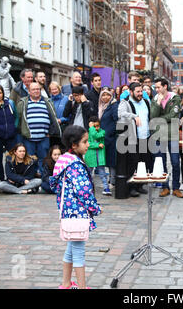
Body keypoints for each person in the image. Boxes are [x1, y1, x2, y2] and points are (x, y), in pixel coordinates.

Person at [49, 125, 103, 290]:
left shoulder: (65, 160)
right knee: (79, 251)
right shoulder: (76, 165)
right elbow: (84, 191)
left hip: (68, 211)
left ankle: (66, 284)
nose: (88, 145)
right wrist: (95, 208)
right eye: (85, 142)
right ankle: (82, 287)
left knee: (71, 248)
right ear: (74, 145)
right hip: (77, 213)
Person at [16, 82, 62, 175]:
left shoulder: (47, 102)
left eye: (38, 89)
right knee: (30, 160)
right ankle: (31, 181)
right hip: (29, 137)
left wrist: (50, 132)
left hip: (44, 137)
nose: (36, 91)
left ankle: (44, 180)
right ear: (29, 91)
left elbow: (53, 117)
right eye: (33, 89)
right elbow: (19, 119)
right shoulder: (23, 102)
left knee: (44, 160)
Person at [151, 78, 183, 198]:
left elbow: (174, 115)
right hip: (159, 136)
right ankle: (165, 187)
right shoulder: (155, 99)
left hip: (172, 135)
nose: (157, 90)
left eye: (158, 87)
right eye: (156, 88)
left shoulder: (175, 98)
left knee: (175, 162)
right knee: (161, 162)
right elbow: (153, 116)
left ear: (165, 86)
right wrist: (158, 104)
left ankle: (176, 187)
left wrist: (160, 119)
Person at [117, 82, 152, 197]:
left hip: (145, 137)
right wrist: (134, 116)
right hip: (133, 138)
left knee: (143, 162)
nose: (140, 93)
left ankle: (140, 185)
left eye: (141, 91)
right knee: (133, 163)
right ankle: (131, 187)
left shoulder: (146, 102)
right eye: (137, 92)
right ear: (131, 92)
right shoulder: (126, 102)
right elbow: (121, 113)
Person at [0, 84, 19, 182]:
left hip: (11, 135)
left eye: (0, 93)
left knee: (12, 158)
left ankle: (12, 178)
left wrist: (15, 127)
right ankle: (2, 178)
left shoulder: (10, 103)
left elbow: (16, 116)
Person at [85, 117, 111, 196]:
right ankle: (87, 187)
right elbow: (88, 144)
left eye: (97, 126)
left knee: (102, 173)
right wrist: (97, 145)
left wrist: (91, 128)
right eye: (94, 126)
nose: (96, 128)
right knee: (88, 173)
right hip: (91, 157)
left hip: (99, 158)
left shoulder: (102, 132)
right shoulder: (89, 133)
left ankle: (106, 188)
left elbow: (96, 136)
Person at [98, 88, 119, 187]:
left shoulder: (113, 105)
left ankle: (112, 180)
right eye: (103, 95)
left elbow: (116, 119)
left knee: (112, 160)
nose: (105, 97)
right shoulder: (100, 107)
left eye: (108, 95)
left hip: (110, 137)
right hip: (102, 138)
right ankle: (107, 180)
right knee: (104, 159)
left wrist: (111, 132)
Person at [49, 81, 69, 148]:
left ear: (59, 89)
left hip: (63, 128)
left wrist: (61, 120)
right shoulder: (48, 101)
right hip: (52, 130)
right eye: (52, 89)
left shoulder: (66, 99)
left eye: (56, 89)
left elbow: (70, 114)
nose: (54, 91)